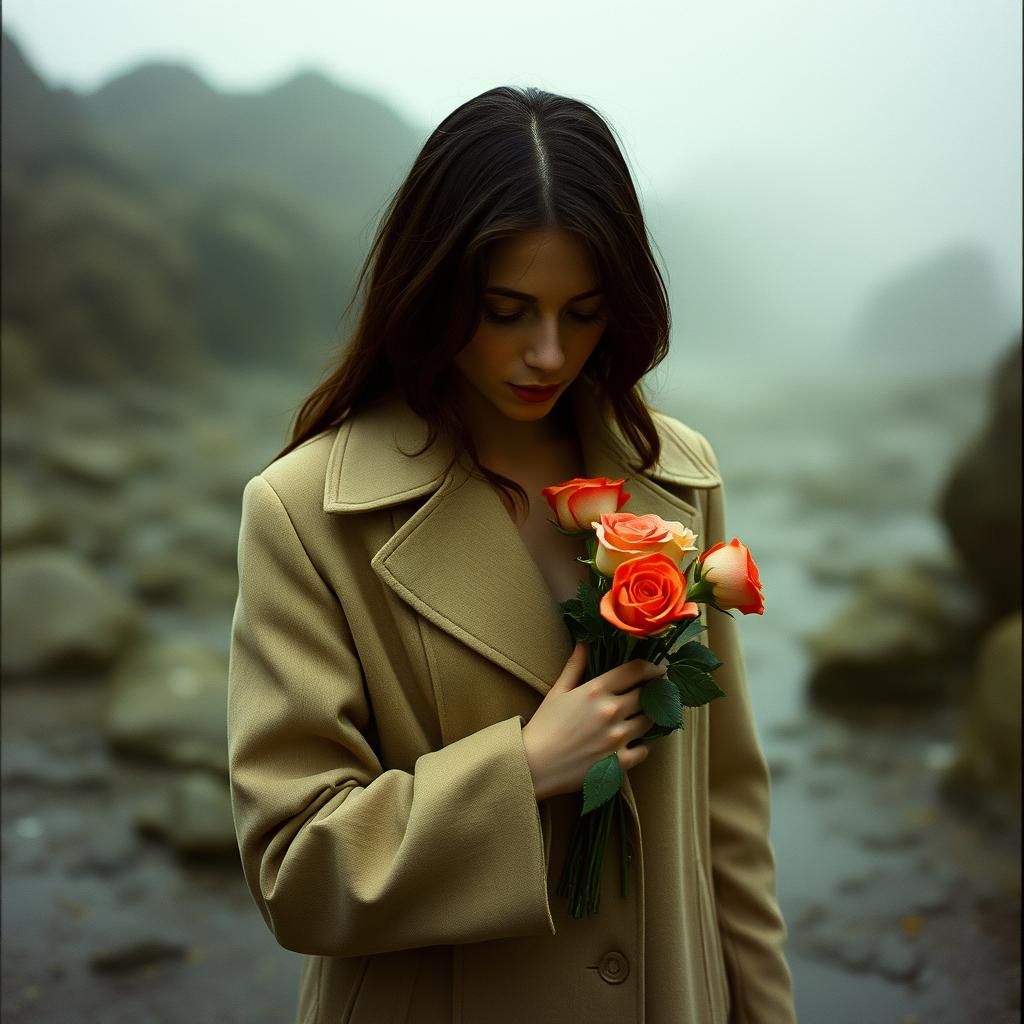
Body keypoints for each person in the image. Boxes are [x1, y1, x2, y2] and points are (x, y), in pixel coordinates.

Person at [226, 85, 796, 1024]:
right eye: (506, 311)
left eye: (584, 312)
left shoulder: (678, 476)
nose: (549, 354)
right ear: (435, 290)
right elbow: (296, 868)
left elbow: (727, 814)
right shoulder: (304, 513)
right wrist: (522, 770)